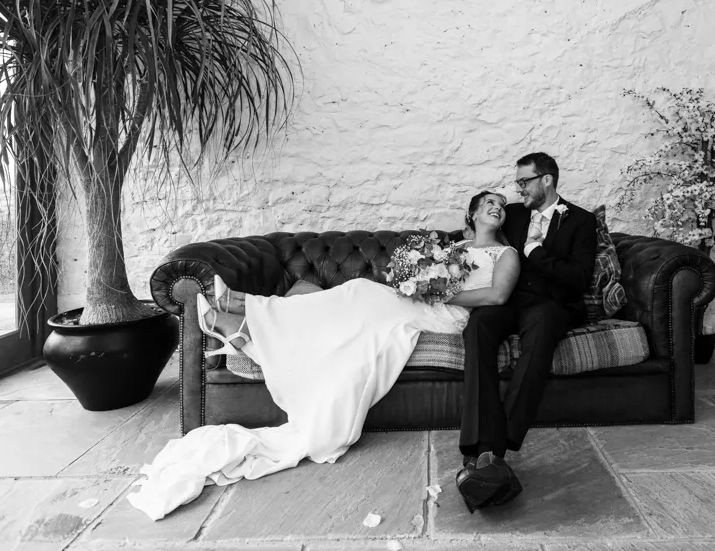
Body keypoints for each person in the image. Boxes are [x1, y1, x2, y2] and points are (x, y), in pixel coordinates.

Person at [126, 190, 519, 521]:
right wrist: (414, 281)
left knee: (362, 293)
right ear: (471, 214)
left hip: (448, 315)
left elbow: (496, 296)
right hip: (423, 302)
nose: (496, 207)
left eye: (501, 204)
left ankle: (247, 311)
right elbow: (422, 278)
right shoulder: (454, 247)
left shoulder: (506, 254)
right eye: (488, 202)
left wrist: (436, 292)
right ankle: (245, 312)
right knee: (360, 293)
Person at [455, 152, 597, 512]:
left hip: (550, 304)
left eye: (524, 182)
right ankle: (479, 446)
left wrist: (535, 253)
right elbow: (480, 237)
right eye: (517, 182)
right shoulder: (514, 214)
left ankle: (492, 450)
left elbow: (579, 278)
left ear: (546, 180)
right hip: (509, 300)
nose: (518, 190)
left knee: (541, 333)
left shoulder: (580, 221)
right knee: (479, 327)